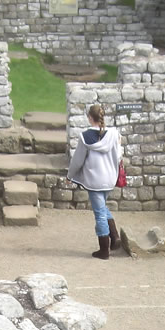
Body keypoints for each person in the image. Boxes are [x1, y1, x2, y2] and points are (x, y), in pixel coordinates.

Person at [66, 104, 124, 261]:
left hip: (94, 179)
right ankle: (115, 237)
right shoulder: (114, 134)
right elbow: (119, 155)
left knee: (99, 213)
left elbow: (78, 160)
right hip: (109, 178)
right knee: (102, 207)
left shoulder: (85, 137)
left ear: (90, 118)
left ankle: (104, 250)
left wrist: (70, 175)